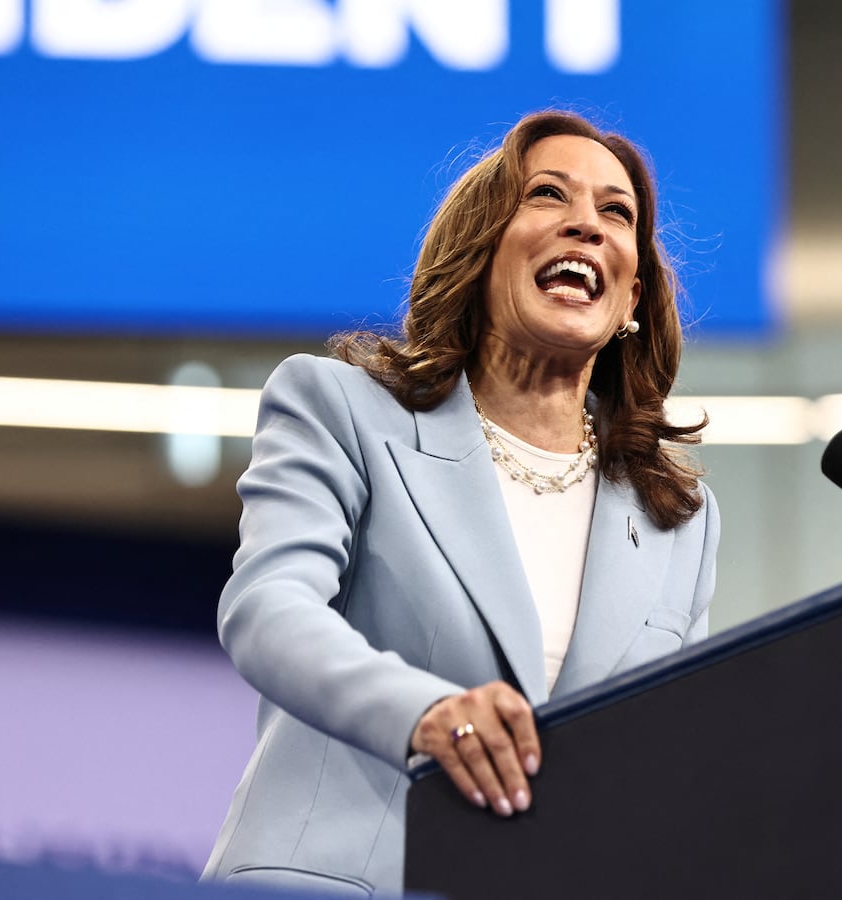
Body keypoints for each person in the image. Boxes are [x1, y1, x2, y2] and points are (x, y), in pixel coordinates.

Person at [200, 110, 720, 897]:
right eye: (549, 195)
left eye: (617, 214)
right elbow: (268, 611)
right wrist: (424, 713)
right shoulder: (342, 409)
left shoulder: (678, 517)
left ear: (631, 299)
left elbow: (674, 756)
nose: (586, 224)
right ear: (481, 248)